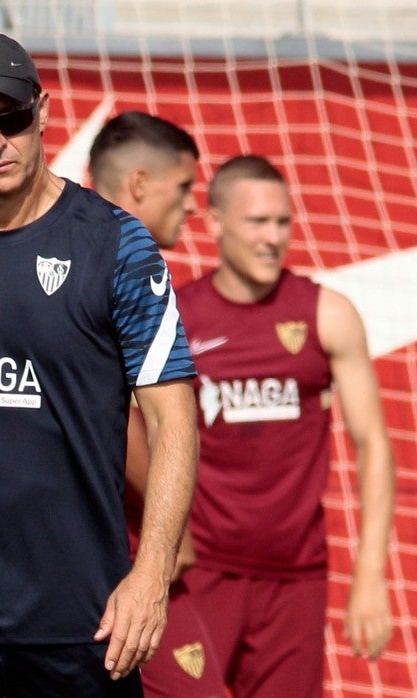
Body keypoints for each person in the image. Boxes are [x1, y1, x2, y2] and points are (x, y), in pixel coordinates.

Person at [0, 33, 200, 695]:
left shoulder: (116, 245)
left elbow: (173, 420)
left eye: (12, 119)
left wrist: (152, 573)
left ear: (43, 112)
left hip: (76, 620)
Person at [178, 154, 395, 697]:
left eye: (283, 222)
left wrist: (370, 574)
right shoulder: (177, 317)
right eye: (257, 222)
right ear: (215, 221)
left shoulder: (328, 313)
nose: (273, 237)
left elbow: (373, 444)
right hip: (198, 572)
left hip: (295, 579)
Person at [89, 110, 227, 697]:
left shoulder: (70, 250)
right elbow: (107, 412)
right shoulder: (107, 261)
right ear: (139, 184)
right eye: (184, 186)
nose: (193, 204)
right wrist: (169, 537)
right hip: (119, 560)